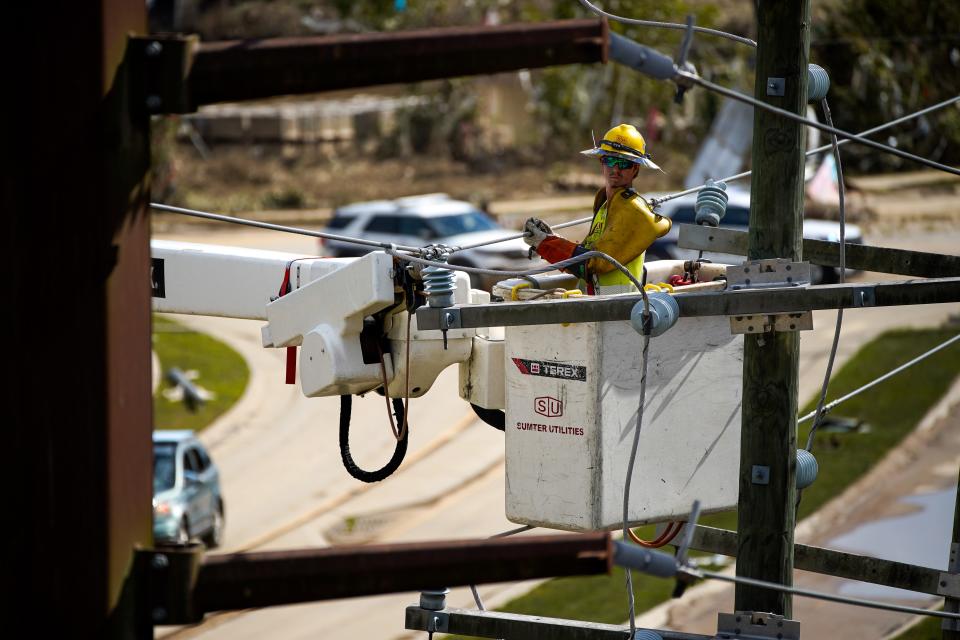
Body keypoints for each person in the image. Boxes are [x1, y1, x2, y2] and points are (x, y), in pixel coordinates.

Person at [523, 124, 672, 294]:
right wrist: (553, 238)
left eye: (623, 163)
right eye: (609, 160)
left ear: (635, 169)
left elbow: (594, 263)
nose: (615, 169)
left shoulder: (633, 210)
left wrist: (546, 244)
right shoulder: (605, 205)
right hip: (596, 305)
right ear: (601, 162)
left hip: (619, 307)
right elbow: (587, 254)